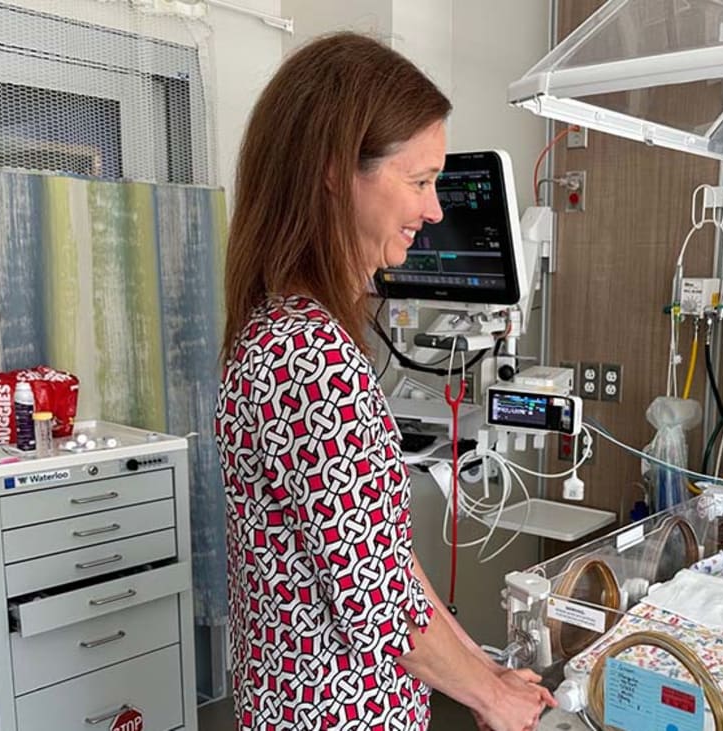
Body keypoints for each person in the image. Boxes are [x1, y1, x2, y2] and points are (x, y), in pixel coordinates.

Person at [215, 32, 554, 731]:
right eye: (421, 180)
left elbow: (384, 560)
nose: (434, 210)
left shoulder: (278, 329)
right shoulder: (312, 359)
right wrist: (493, 700)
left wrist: (484, 667)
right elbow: (379, 606)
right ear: (340, 171)